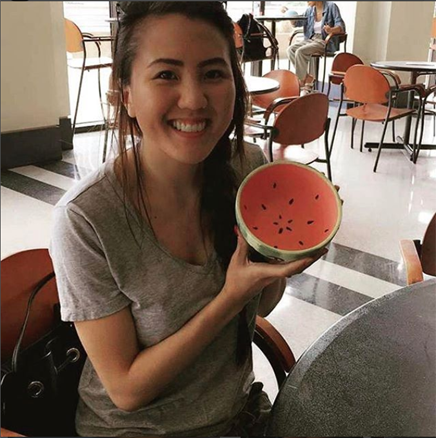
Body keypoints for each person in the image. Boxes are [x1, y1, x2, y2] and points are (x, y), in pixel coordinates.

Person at [50, 2, 327, 436]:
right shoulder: (86, 219)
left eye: (214, 73)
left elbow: (263, 303)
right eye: (166, 74)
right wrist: (229, 298)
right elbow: (126, 390)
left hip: (239, 417)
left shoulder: (248, 167)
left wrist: (276, 257)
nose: (194, 99)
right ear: (126, 94)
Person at [287, 1, 345, 90]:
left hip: (324, 41)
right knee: (290, 49)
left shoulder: (331, 6)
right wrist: (289, 15)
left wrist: (331, 30)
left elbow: (340, 27)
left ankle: (301, 81)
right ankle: (307, 77)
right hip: (311, 39)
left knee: (300, 51)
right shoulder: (309, 10)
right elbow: (297, 23)